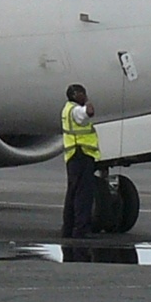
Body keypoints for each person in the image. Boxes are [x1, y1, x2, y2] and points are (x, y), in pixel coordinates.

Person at [60, 83, 101, 238]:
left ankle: (68, 228)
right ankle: (81, 229)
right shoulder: (75, 110)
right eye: (83, 93)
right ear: (76, 95)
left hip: (73, 156)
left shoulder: (66, 109)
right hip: (81, 155)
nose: (85, 95)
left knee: (72, 193)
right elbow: (88, 113)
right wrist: (88, 103)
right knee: (83, 195)